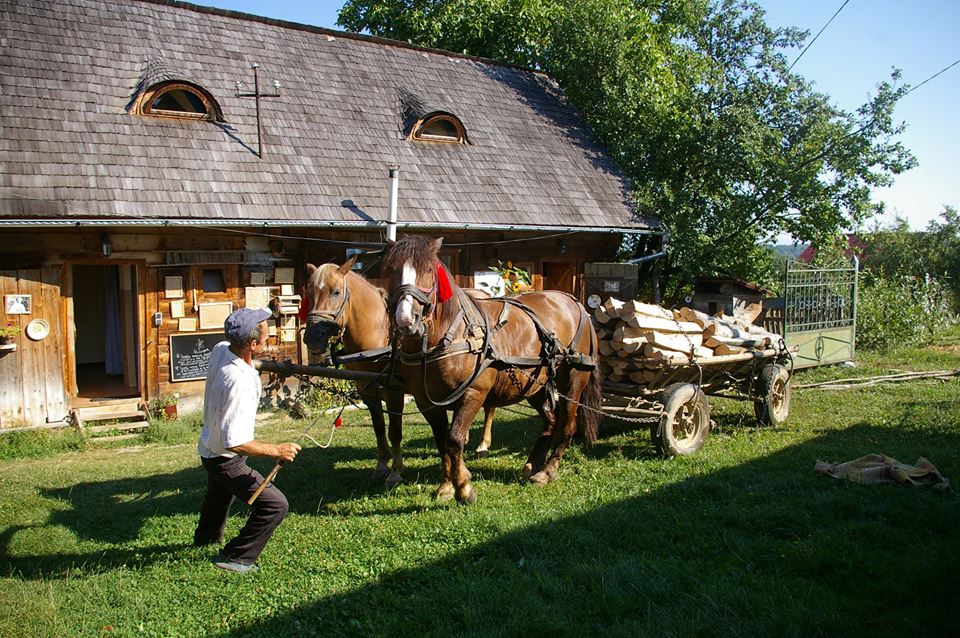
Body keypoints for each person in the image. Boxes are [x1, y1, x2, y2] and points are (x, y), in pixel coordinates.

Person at [194, 307, 301, 574]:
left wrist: (271, 366)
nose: (268, 328)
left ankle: (205, 539)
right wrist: (277, 449)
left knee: (218, 496)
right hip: (226, 456)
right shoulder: (239, 382)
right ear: (253, 344)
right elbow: (235, 442)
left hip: (209, 449)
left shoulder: (222, 348)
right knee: (275, 506)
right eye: (264, 328)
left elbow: (245, 360)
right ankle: (238, 557)